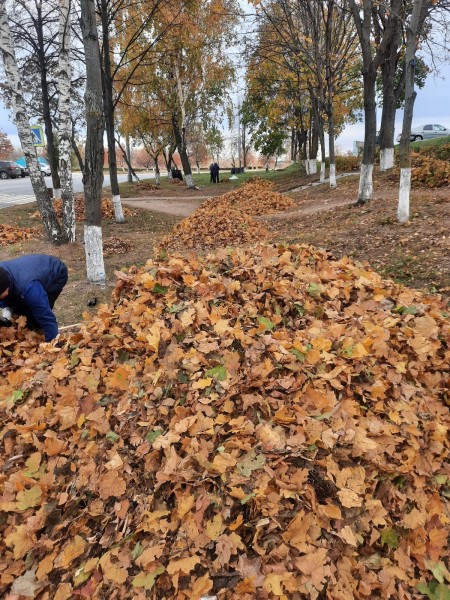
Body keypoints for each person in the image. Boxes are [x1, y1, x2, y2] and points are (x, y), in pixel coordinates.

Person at [0, 254, 68, 342]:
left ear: (6, 287)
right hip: (29, 269)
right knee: (19, 311)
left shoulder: (30, 288)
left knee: (35, 316)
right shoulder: (3, 275)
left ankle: (43, 333)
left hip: (56, 273)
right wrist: (6, 307)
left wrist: (52, 345)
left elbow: (45, 316)